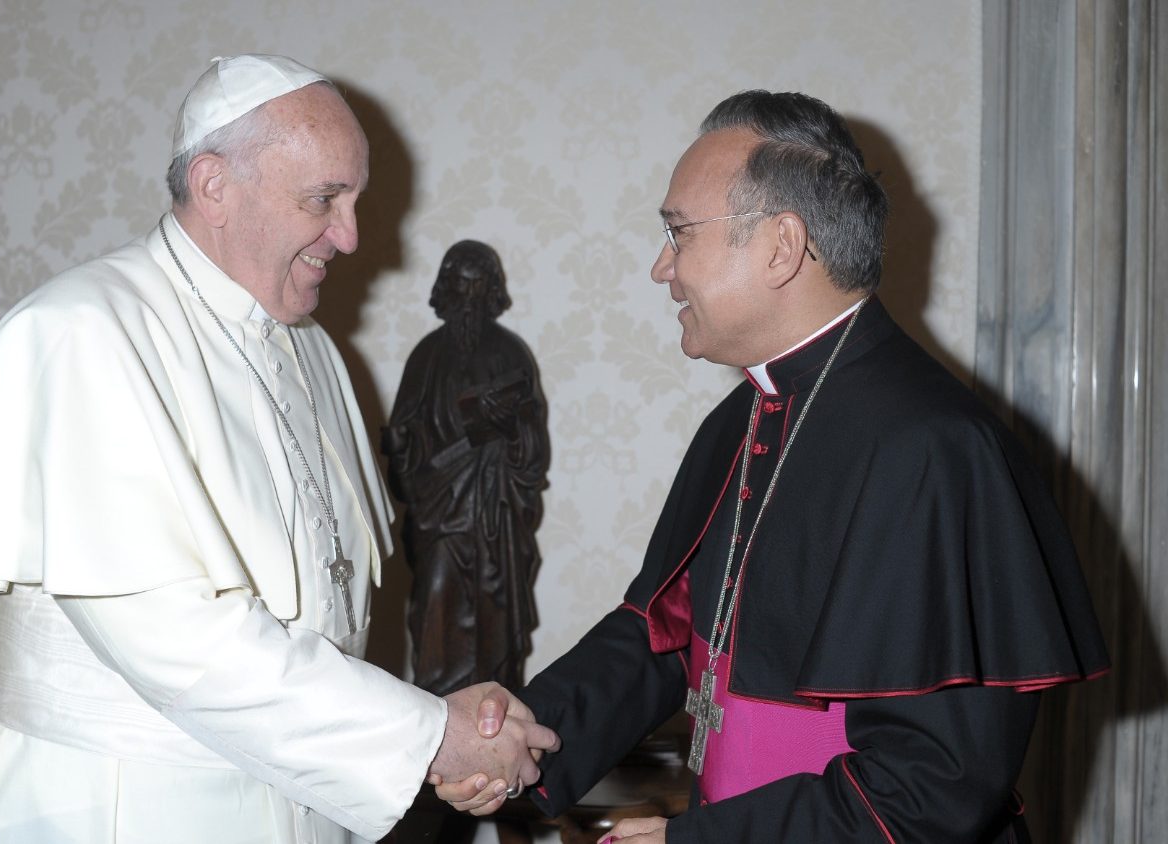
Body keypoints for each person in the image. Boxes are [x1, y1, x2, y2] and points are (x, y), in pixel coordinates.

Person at [0, 54, 555, 844]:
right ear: (214, 185)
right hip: (106, 806)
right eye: (324, 199)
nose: (350, 236)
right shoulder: (82, 331)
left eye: (354, 201)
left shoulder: (312, 348)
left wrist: (430, 734)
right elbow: (174, 638)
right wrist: (427, 736)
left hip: (296, 803)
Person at [440, 90, 1110, 841]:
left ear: (782, 246)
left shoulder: (934, 450)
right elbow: (666, 634)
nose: (662, 267)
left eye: (678, 232)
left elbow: (931, 788)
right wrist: (526, 732)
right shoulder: (744, 417)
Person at [383, 239, 549, 697]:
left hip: (495, 513)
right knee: (435, 602)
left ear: (491, 291)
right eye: (461, 286)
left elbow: (532, 446)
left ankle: (493, 705)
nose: (469, 300)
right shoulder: (426, 356)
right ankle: (438, 713)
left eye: (479, 288)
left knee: (494, 618)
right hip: (440, 513)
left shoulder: (511, 353)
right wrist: (402, 451)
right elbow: (404, 431)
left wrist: (510, 429)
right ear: (447, 289)